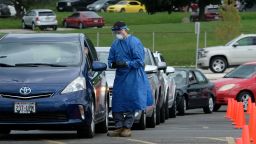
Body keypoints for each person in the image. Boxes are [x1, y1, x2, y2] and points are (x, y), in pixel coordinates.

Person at [107, 21, 152, 137]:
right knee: (117, 102)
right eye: (115, 32)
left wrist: (126, 63)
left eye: (119, 31)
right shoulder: (115, 44)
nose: (117, 33)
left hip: (133, 76)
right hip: (120, 76)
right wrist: (113, 64)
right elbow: (110, 59)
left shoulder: (134, 42)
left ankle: (127, 127)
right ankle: (119, 127)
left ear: (125, 29)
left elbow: (139, 61)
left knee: (132, 102)